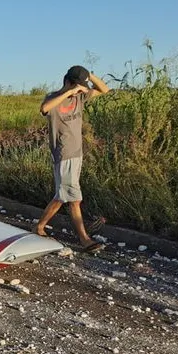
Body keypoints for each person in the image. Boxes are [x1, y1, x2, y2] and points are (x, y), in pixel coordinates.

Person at [35, 65, 110, 252]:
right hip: (63, 153)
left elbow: (104, 90)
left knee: (63, 196)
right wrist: (69, 91)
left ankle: (39, 227)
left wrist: (89, 75)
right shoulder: (54, 99)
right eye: (77, 85)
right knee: (73, 198)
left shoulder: (80, 97)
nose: (80, 89)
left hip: (77, 153)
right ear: (67, 82)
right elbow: (44, 108)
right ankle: (84, 239)